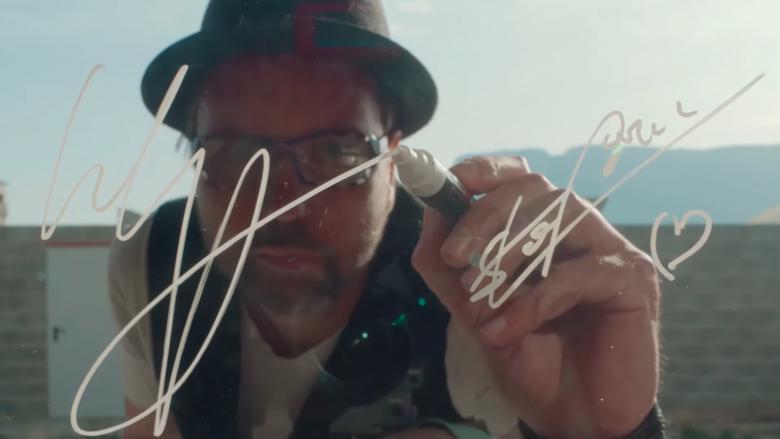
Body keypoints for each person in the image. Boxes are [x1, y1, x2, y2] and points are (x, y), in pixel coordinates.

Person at [109, 0, 665, 438]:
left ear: (394, 155)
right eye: (235, 154)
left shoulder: (483, 299)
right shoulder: (156, 264)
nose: (282, 202)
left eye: (336, 152)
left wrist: (597, 430)